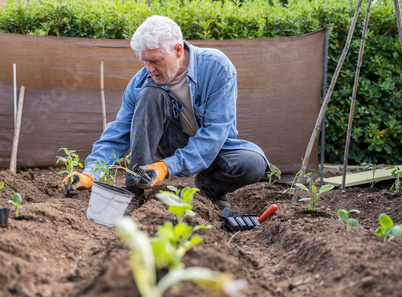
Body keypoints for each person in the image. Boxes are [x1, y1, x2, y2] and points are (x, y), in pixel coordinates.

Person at [62, 15, 269, 211]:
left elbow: (215, 133)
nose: (149, 68)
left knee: (252, 163)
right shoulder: (141, 82)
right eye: (144, 61)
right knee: (150, 94)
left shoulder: (217, 68)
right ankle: (135, 190)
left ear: (178, 50)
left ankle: (209, 189)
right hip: (170, 143)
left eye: (155, 60)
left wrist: (166, 167)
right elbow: (118, 132)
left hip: (214, 148)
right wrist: (91, 173)